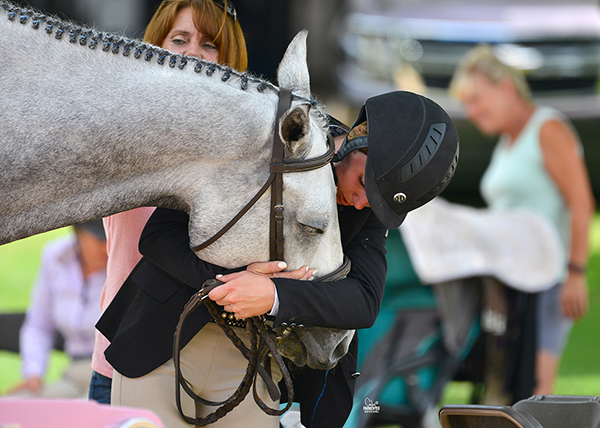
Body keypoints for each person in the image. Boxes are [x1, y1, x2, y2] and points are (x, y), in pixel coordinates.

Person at [96, 90, 459, 427]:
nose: (364, 204)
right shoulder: (269, 132)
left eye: (378, 202)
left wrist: (272, 295)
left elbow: (363, 301)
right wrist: (229, 282)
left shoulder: (366, 206)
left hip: (258, 363)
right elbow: (160, 235)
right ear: (357, 138)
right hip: (164, 340)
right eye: (365, 184)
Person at [88, 0, 248, 405]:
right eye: (180, 39)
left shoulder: (247, 152)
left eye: (210, 44)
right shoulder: (122, 128)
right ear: (155, 46)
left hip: (222, 368)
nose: (193, 52)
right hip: (127, 357)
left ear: (230, 60)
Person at [449, 44, 595, 396]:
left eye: (477, 98)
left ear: (507, 89)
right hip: (511, 283)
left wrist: (576, 273)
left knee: (536, 389)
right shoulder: (507, 141)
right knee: (504, 386)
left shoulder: (548, 129)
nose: (472, 110)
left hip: (549, 279)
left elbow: (582, 203)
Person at [7, 220, 107, 399]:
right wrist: (33, 373)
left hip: (112, 376)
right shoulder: (55, 256)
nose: (107, 247)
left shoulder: (128, 262)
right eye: (100, 240)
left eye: (111, 238)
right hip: (74, 373)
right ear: (79, 232)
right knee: (13, 407)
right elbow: (39, 324)